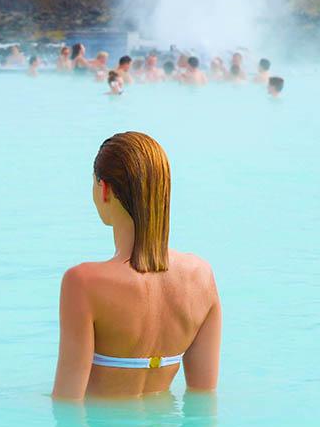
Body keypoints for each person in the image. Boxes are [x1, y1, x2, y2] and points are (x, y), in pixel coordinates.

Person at [51, 132, 221, 400]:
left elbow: (66, 402)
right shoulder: (201, 276)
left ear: (105, 189)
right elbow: (204, 399)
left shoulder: (83, 283)